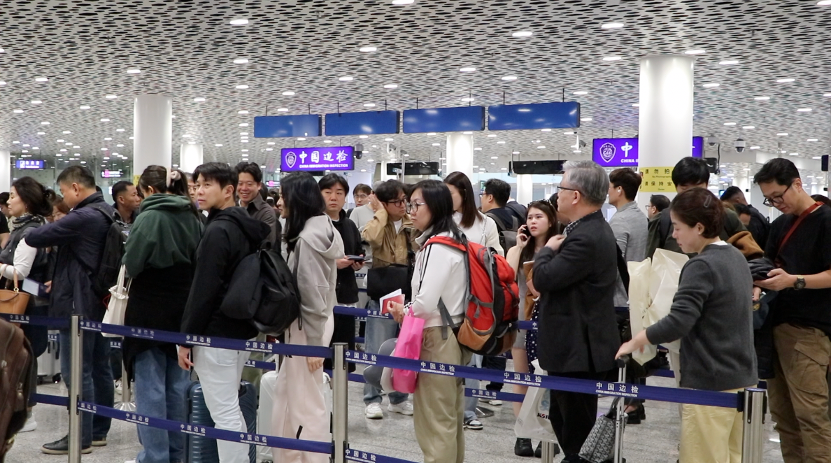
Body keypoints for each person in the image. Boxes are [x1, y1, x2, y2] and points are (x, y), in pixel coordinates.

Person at [617, 188, 758, 463]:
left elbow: (679, 321)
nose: (674, 235)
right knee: (733, 456)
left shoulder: (700, 265)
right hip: (741, 376)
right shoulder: (735, 257)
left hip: (709, 379)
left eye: (679, 227)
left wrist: (637, 339)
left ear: (699, 227)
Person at [177, 162, 269, 464]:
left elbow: (203, 290)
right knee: (230, 406)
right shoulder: (244, 225)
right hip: (239, 328)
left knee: (224, 411)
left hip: (215, 332)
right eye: (197, 184)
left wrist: (186, 337)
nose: (198, 191)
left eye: (206, 185)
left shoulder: (218, 230)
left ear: (228, 190)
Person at [532, 160, 620, 462]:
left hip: (577, 350)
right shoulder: (587, 230)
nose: (556, 195)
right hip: (574, 348)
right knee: (566, 422)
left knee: (577, 436)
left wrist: (544, 251)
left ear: (576, 195)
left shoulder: (585, 237)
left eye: (561, 188)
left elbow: (543, 279)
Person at [24, 166, 115, 455]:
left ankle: (80, 436)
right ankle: (99, 430)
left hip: (77, 304)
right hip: (97, 301)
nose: (63, 197)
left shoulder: (83, 216)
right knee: (100, 367)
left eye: (63, 191)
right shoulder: (106, 211)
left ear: (75, 188)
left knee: (76, 371)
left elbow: (35, 237)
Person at [122, 166, 203, 463]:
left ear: (149, 190)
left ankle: (155, 457)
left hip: (148, 306)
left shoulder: (149, 216)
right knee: (177, 385)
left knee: (149, 387)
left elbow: (132, 263)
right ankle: (177, 454)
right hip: (183, 305)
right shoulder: (194, 216)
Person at [386, 180, 470, 463]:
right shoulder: (456, 241)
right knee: (449, 419)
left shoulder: (437, 247)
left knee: (435, 423)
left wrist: (403, 310)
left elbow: (424, 304)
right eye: (409, 204)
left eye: (416, 204)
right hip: (454, 335)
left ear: (435, 207)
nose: (411, 210)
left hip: (436, 338)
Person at [753, 159, 831, 463]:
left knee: (811, 417)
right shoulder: (779, 225)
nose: (775, 203)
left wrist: (794, 281)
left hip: (808, 333)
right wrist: (759, 283)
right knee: (784, 420)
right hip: (774, 330)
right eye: (769, 199)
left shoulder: (825, 220)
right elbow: (768, 264)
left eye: (778, 196)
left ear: (797, 183)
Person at [271, 172, 343, 463]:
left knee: (306, 403)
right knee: (288, 396)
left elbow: (312, 294)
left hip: (307, 327)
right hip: (311, 323)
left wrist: (314, 345)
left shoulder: (308, 239)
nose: (278, 202)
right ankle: (289, 457)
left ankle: (314, 459)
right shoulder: (319, 228)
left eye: (283, 196)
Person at [443, 171, 503, 433]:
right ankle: (447, 410)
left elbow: (497, 257)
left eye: (451, 193)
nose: (445, 198)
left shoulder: (485, 223)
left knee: (472, 357)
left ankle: (467, 410)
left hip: (475, 299)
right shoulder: (440, 220)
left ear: (464, 194)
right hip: (444, 300)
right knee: (444, 355)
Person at [0, 177, 56, 435]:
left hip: (26, 305)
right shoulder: (28, 227)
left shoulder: (30, 231)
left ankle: (25, 411)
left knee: (23, 357)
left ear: (26, 199)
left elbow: (21, 272)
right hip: (27, 301)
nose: (8, 201)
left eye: (12, 196)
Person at [506, 200, 559, 457]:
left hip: (549, 321)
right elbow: (506, 272)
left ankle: (546, 433)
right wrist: (519, 245)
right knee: (521, 378)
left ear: (551, 220)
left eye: (540, 216)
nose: (534, 221)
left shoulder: (559, 248)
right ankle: (522, 433)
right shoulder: (522, 249)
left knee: (546, 381)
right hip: (522, 320)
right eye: (530, 217)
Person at [361, 179, 417, 419]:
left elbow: (420, 243)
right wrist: (381, 213)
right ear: (384, 203)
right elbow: (370, 238)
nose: (403, 205)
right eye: (397, 201)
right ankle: (372, 399)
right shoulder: (377, 223)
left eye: (405, 200)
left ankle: (399, 397)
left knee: (402, 346)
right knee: (377, 347)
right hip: (383, 291)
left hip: (405, 290)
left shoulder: (410, 223)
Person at [607, 168, 649, 423]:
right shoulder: (641, 217)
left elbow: (612, 261)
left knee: (622, 353)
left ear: (619, 190)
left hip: (620, 298)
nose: (608, 191)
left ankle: (628, 403)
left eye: (610, 186)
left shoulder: (620, 221)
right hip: (638, 295)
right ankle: (635, 402)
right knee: (636, 352)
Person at [647, 157, 749, 259]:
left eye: (697, 188)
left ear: (707, 185)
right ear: (676, 187)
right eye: (685, 189)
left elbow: (749, 252)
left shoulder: (725, 216)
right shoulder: (663, 221)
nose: (692, 195)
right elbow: (650, 263)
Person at [319, 174, 363, 373]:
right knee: (322, 355)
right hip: (321, 299)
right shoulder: (315, 225)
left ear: (346, 197)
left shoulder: (350, 225)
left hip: (345, 294)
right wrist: (334, 264)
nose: (333, 197)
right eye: (328, 192)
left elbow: (358, 249)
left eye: (339, 193)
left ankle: (339, 396)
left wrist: (357, 262)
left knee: (342, 357)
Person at [236, 162, 278, 248]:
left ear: (259, 185)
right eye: (240, 184)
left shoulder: (266, 212)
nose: (244, 188)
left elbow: (266, 245)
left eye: (249, 184)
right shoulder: (231, 206)